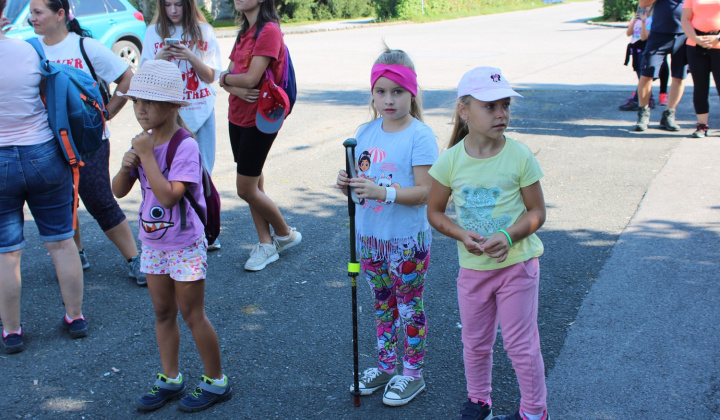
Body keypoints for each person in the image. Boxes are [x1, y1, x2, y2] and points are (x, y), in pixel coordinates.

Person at [427, 67, 548, 420]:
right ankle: (479, 402)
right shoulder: (450, 161)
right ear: (464, 111)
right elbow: (435, 214)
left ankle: (535, 412)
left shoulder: (520, 155)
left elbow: (537, 211)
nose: (501, 114)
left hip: (518, 266)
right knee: (475, 344)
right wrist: (462, 235)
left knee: (521, 346)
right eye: (491, 106)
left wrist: (509, 235)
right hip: (473, 271)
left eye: (505, 105)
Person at [111, 60, 231, 412]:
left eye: (149, 101)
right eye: (135, 101)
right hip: (152, 244)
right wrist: (126, 164)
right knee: (162, 312)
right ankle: (171, 378)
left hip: (185, 246)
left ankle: (216, 381)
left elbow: (168, 196)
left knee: (192, 314)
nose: (141, 109)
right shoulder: (143, 144)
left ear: (174, 105)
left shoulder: (184, 147)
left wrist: (146, 156)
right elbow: (118, 191)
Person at [335, 45, 438, 407]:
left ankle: (412, 374)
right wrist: (350, 185)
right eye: (381, 92)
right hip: (371, 239)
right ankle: (385, 365)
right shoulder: (364, 131)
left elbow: (426, 192)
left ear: (412, 92)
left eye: (397, 92)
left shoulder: (420, 135)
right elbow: (362, 180)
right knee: (382, 304)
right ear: (372, 93)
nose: (388, 100)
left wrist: (382, 191)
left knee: (408, 306)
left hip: (406, 241)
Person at [27, 0, 145, 285]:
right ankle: (76, 254)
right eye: (31, 12)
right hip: (48, 140)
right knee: (63, 201)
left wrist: (107, 113)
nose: (32, 18)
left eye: (38, 12)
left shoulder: (85, 47)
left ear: (60, 14)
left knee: (99, 200)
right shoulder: (31, 50)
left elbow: (127, 78)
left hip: (88, 141)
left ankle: (135, 259)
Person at [0, 0, 86, 354]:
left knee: (7, 254)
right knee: (62, 242)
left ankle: (12, 331)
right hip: (44, 154)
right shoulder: (29, 49)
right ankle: (76, 317)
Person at [219, 0, 301, 271]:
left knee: (245, 188)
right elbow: (232, 74)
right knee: (254, 182)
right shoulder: (245, 31)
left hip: (260, 119)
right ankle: (266, 244)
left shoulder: (269, 31)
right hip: (237, 116)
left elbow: (250, 78)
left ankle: (284, 233)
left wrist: (226, 81)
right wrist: (232, 84)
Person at [141, 0, 223, 250]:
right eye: (168, 5)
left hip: (200, 108)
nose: (174, 10)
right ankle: (175, 229)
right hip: (168, 113)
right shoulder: (153, 32)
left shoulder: (203, 31)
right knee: (169, 173)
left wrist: (189, 55)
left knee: (203, 172)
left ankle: (206, 229)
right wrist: (159, 57)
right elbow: (144, 78)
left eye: (179, 5)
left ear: (188, 6)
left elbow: (211, 76)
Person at [634, 0, 688, 132]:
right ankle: (643, 114)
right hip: (658, 33)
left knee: (679, 76)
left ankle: (669, 115)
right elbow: (643, 4)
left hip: (683, 34)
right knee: (646, 75)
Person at [681, 0, 720, 138]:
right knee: (700, 87)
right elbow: (685, 18)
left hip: (718, 44)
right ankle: (702, 126)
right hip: (695, 45)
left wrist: (717, 38)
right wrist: (695, 38)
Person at [619, 7, 671, 110]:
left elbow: (644, 37)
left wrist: (643, 21)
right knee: (640, 75)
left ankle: (645, 98)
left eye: (647, 8)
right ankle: (643, 97)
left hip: (644, 49)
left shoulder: (651, 20)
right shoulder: (635, 19)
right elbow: (628, 33)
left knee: (644, 76)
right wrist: (635, 20)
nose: (644, 9)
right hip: (635, 51)